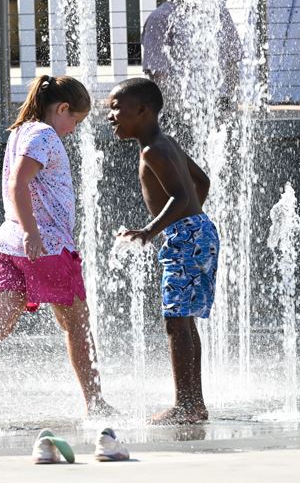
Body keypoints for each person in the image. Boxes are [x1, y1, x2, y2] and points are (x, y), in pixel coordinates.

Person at [0, 75, 110, 421]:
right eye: (75, 120)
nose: (74, 128)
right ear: (62, 108)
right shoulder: (44, 134)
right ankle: (95, 403)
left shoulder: (21, 131)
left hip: (7, 244)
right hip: (44, 246)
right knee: (78, 324)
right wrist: (32, 233)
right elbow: (19, 182)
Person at [108, 78, 218, 425]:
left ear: (142, 111)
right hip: (200, 231)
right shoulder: (165, 142)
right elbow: (202, 182)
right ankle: (194, 404)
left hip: (185, 235)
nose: (110, 115)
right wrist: (191, 222)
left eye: (116, 108)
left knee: (175, 322)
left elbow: (181, 196)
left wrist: (150, 231)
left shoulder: (152, 150)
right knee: (183, 321)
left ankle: (186, 406)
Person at [141, 0, 241, 147]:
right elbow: (159, 75)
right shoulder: (161, 19)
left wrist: (227, 105)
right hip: (179, 119)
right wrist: (188, 110)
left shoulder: (220, 15)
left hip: (219, 115)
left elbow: (232, 65)